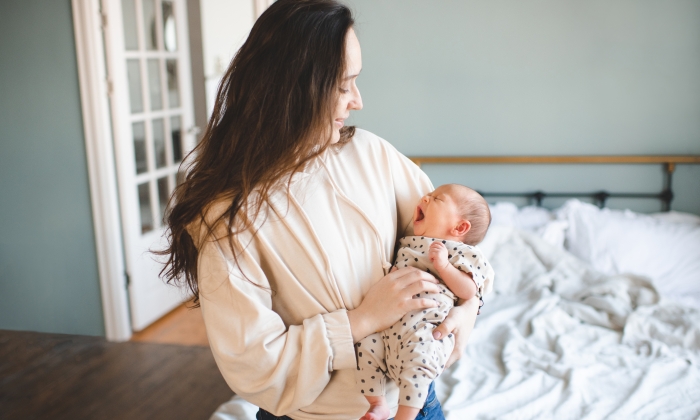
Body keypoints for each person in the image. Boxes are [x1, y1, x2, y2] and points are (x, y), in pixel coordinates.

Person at [159, 1, 481, 419]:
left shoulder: (373, 155)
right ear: (295, 88)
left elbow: (452, 246)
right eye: (344, 85)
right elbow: (256, 367)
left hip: (418, 407)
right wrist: (360, 320)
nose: (358, 101)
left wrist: (469, 307)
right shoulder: (230, 221)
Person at [355, 184, 495, 420]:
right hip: (390, 327)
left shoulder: (461, 252)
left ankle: (405, 416)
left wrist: (445, 266)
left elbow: (470, 291)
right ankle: (378, 404)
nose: (425, 198)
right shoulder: (409, 241)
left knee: (419, 367)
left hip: (427, 328)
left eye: (437, 199)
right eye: (429, 195)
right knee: (366, 347)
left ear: (460, 227)